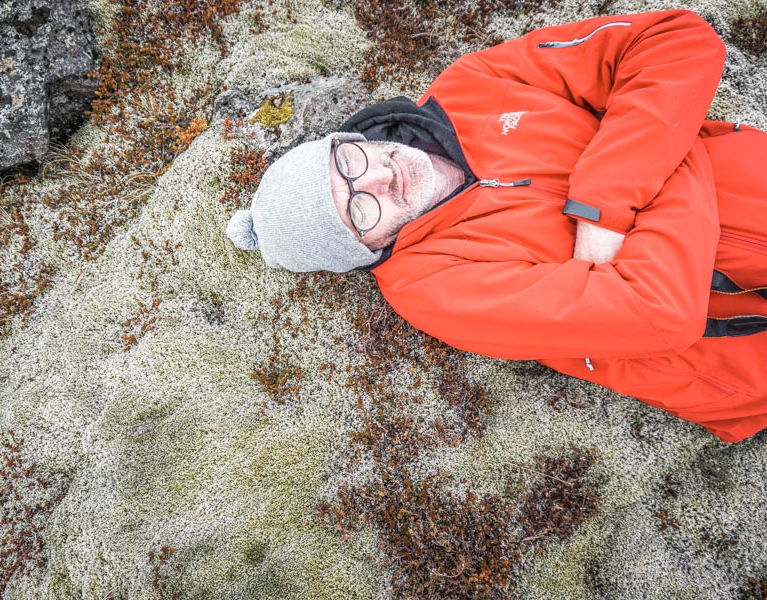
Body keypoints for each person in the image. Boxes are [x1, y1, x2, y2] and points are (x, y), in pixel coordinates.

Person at [225, 9, 767, 443]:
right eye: (359, 211)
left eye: (349, 164)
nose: (381, 180)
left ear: (350, 140)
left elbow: (676, 39)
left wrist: (608, 200)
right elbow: (660, 313)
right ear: (366, 251)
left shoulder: (475, 85)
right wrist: (672, 140)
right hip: (747, 344)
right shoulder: (432, 289)